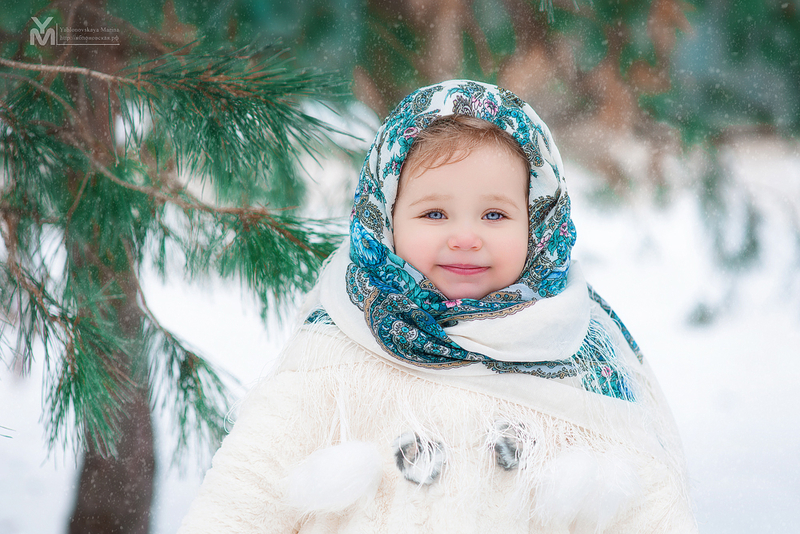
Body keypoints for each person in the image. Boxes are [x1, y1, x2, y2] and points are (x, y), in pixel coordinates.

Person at [177, 80, 698, 533]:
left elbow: (649, 511)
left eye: (495, 214)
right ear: (386, 218)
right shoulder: (335, 354)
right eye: (434, 213)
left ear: (539, 225)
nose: (465, 237)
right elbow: (240, 502)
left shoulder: (579, 357)